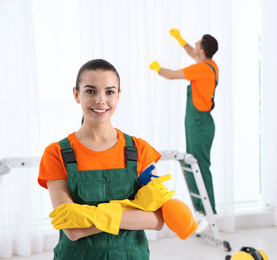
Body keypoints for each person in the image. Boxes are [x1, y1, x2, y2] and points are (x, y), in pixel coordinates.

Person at [38, 59, 175, 260]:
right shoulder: (57, 153)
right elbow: (72, 230)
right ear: (76, 94)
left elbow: (156, 219)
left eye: (110, 92)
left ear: (119, 95)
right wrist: (130, 210)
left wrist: (94, 216)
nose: (101, 100)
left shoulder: (139, 150)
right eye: (91, 91)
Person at [149, 29, 219, 233]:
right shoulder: (209, 65)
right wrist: (180, 40)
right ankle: (201, 210)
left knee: (201, 165)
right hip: (197, 122)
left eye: (197, 44)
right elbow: (192, 52)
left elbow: (171, 75)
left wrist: (157, 68)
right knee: (193, 163)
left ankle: (210, 212)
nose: (194, 46)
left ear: (203, 50)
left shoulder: (203, 69)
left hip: (200, 124)